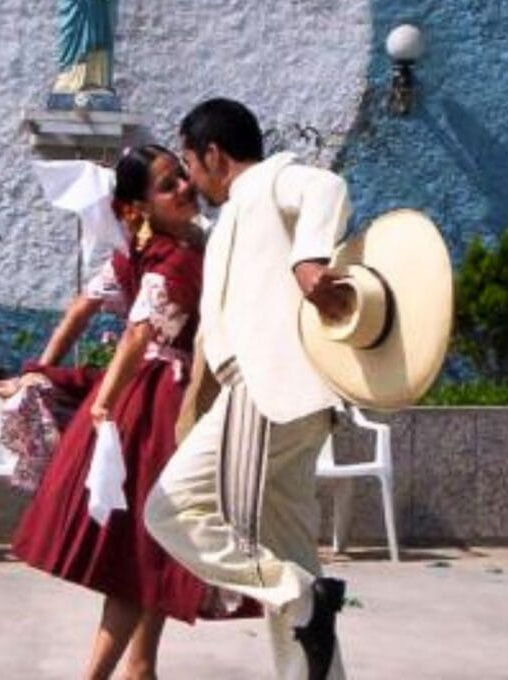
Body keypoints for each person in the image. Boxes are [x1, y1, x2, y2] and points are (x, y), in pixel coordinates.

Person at [11, 145, 255, 680]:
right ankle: (122, 672)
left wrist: (47, 367)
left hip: (160, 397)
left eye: (181, 177)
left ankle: (138, 668)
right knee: (149, 546)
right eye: (167, 185)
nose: (184, 188)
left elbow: (86, 309)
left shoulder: (150, 251)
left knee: (148, 550)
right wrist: (100, 400)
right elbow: (140, 333)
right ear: (137, 207)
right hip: (161, 405)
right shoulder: (172, 256)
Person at [144, 98, 353, 680]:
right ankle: (309, 620)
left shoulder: (268, 182)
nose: (188, 178)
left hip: (268, 393)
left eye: (189, 162)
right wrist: (192, 415)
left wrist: (309, 261)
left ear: (213, 153)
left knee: (170, 511)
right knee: (290, 555)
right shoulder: (233, 216)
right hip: (284, 400)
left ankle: (304, 600)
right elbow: (217, 331)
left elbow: (326, 187)